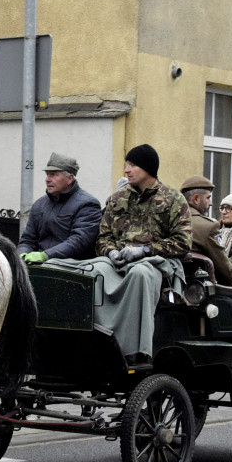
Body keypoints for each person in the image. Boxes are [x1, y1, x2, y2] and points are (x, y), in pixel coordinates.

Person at [94, 143, 192, 364]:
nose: (127, 170)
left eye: (132, 165)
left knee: (139, 274)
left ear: (148, 169)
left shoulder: (173, 200)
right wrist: (110, 252)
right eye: (126, 165)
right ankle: (97, 340)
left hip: (154, 263)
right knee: (95, 271)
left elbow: (183, 241)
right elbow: (103, 236)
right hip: (117, 261)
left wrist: (145, 250)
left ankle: (134, 349)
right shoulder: (118, 198)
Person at [17, 152, 102, 262]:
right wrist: (21, 255)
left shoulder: (88, 204)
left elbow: (78, 241)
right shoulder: (39, 204)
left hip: (72, 267)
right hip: (39, 265)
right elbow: (28, 239)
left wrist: (45, 256)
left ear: (70, 178)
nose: (47, 179)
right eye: (47, 174)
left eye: (53, 174)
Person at [180, 175, 232, 287]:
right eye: (208, 198)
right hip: (196, 290)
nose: (210, 203)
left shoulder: (168, 220)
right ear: (196, 199)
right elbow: (224, 268)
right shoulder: (208, 226)